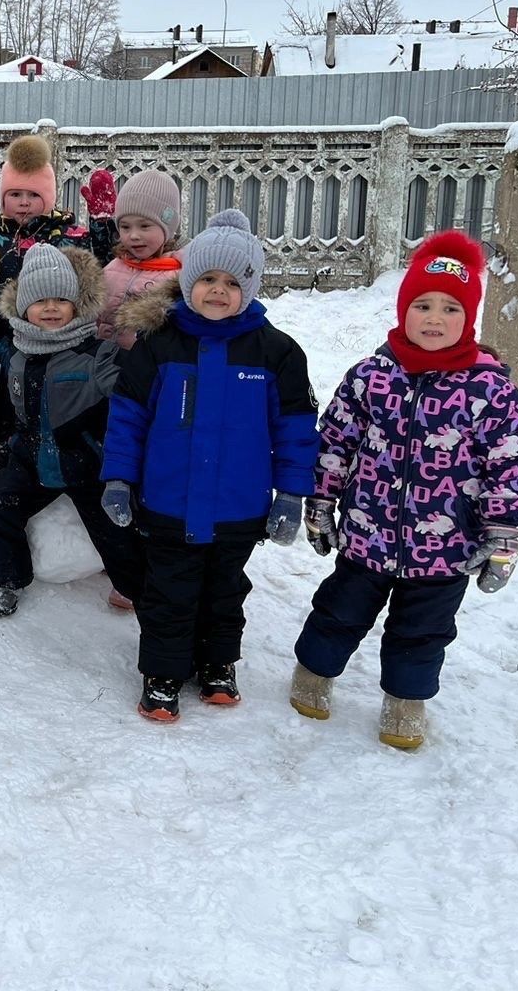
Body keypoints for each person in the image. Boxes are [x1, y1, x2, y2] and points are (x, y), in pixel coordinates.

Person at [289, 232, 518, 748]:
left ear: (468, 318)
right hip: (366, 536)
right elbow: (336, 442)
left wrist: (503, 534)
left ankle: (406, 703)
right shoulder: (371, 377)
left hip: (446, 548)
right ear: (403, 309)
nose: (433, 317)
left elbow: (509, 462)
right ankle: (314, 673)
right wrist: (320, 501)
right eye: (422, 304)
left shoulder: (489, 389)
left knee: (422, 632)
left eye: (450, 308)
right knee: (338, 610)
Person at [100, 209, 317, 722]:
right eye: (206, 279)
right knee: (169, 591)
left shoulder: (277, 353)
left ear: (251, 285)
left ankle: (218, 664)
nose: (218, 291)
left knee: (225, 590)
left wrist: (290, 494)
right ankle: (163, 672)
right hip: (169, 501)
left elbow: (295, 429)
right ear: (187, 282)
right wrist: (117, 478)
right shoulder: (158, 347)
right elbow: (127, 418)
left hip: (237, 506)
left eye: (232, 281)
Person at [0, 243, 146, 618]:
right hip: (31, 459)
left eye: (61, 299)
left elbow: (134, 388)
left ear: (77, 305)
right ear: (23, 307)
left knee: (118, 530)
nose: (51, 308)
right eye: (41, 300)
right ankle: (5, 578)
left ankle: (140, 590)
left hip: (87, 463)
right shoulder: (15, 351)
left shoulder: (98, 353)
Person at [0, 137, 114, 478]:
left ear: (47, 198)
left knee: (50, 411)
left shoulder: (70, 236)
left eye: (33, 195)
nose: (23, 203)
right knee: (1, 414)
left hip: (58, 347)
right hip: (5, 344)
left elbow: (102, 268)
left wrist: (102, 225)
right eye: (15, 195)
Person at [95, 169, 185, 351]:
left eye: (145, 226)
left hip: (150, 368)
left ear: (167, 226)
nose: (133, 235)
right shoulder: (113, 267)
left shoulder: (179, 274)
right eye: (125, 227)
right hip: (104, 366)